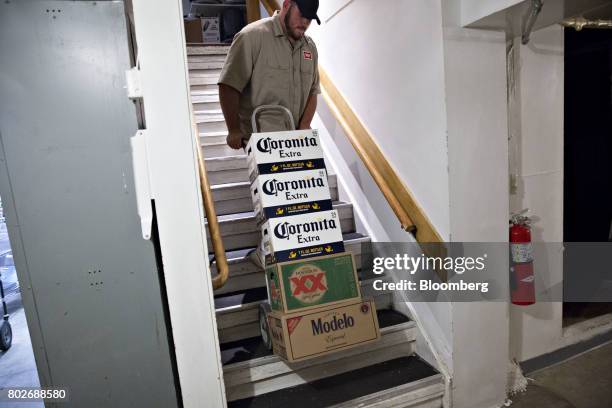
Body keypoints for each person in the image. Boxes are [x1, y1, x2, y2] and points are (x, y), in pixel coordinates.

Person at [217, 0, 321, 150]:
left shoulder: (310, 48)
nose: (305, 22)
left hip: (296, 143)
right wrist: (233, 129)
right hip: (261, 143)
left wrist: (305, 125)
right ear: (286, 5)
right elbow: (229, 85)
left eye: (309, 18)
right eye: (302, 15)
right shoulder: (252, 36)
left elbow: (313, 91)